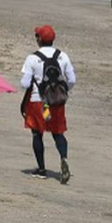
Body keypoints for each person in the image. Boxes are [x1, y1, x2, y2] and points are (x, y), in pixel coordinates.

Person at [20, 26, 76, 183]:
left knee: (37, 133)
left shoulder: (32, 58)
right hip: (56, 103)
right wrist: (62, 91)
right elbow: (72, 80)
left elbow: (24, 83)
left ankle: (42, 169)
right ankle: (63, 158)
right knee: (58, 133)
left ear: (39, 39)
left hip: (39, 104)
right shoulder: (62, 56)